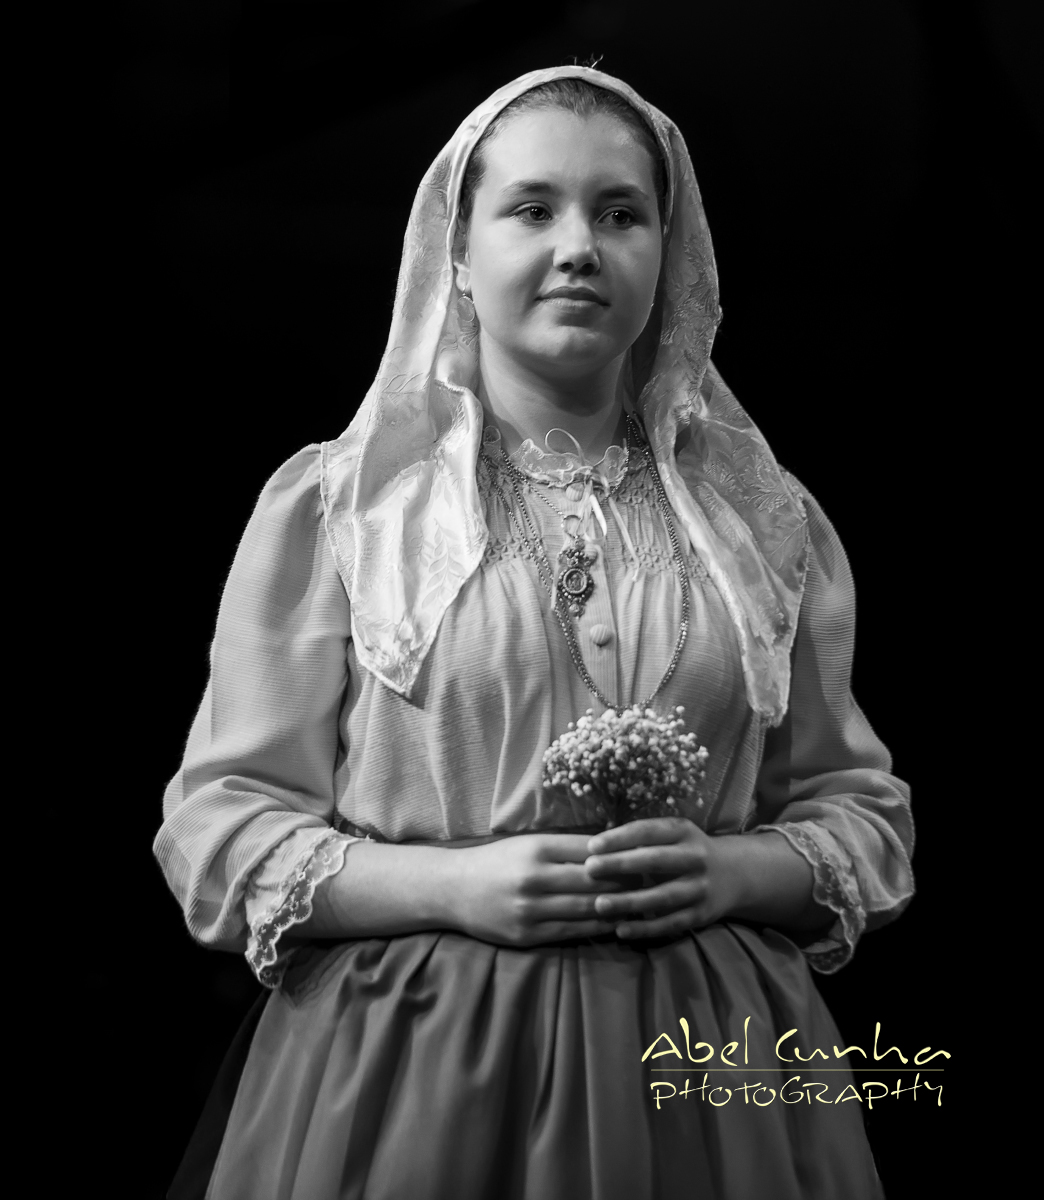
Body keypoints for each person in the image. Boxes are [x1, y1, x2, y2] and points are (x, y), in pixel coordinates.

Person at [155, 65, 915, 1200]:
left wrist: (728, 871)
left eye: (619, 214)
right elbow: (219, 828)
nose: (578, 248)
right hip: (412, 1061)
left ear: (667, 251)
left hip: (706, 1074)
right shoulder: (344, 511)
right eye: (531, 208)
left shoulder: (758, 522)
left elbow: (859, 815)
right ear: (458, 253)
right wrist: (449, 888)